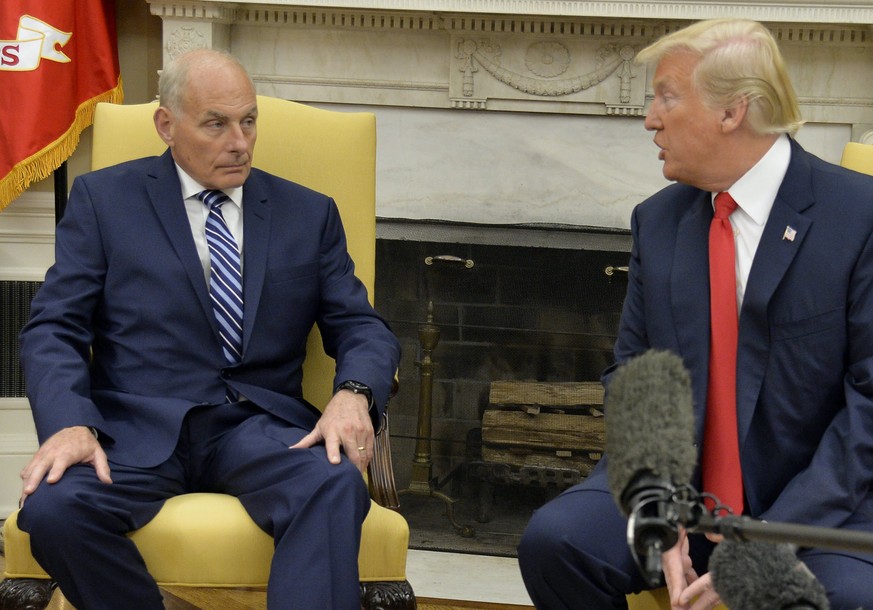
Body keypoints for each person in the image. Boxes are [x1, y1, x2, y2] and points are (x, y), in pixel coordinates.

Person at [16, 48, 400, 609]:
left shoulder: (308, 213)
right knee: (53, 509)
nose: (239, 142)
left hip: (259, 427)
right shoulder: (104, 201)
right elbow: (54, 327)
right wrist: (70, 423)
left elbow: (361, 325)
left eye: (248, 121)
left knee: (332, 483)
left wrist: (354, 393)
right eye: (216, 124)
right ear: (167, 125)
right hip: (135, 428)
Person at [518, 18, 873, 610]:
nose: (651, 118)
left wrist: (768, 541)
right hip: (684, 498)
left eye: (667, 96)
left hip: (818, 511)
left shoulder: (859, 218)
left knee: (849, 599)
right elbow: (635, 379)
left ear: (733, 112)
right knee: (557, 543)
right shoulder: (658, 222)